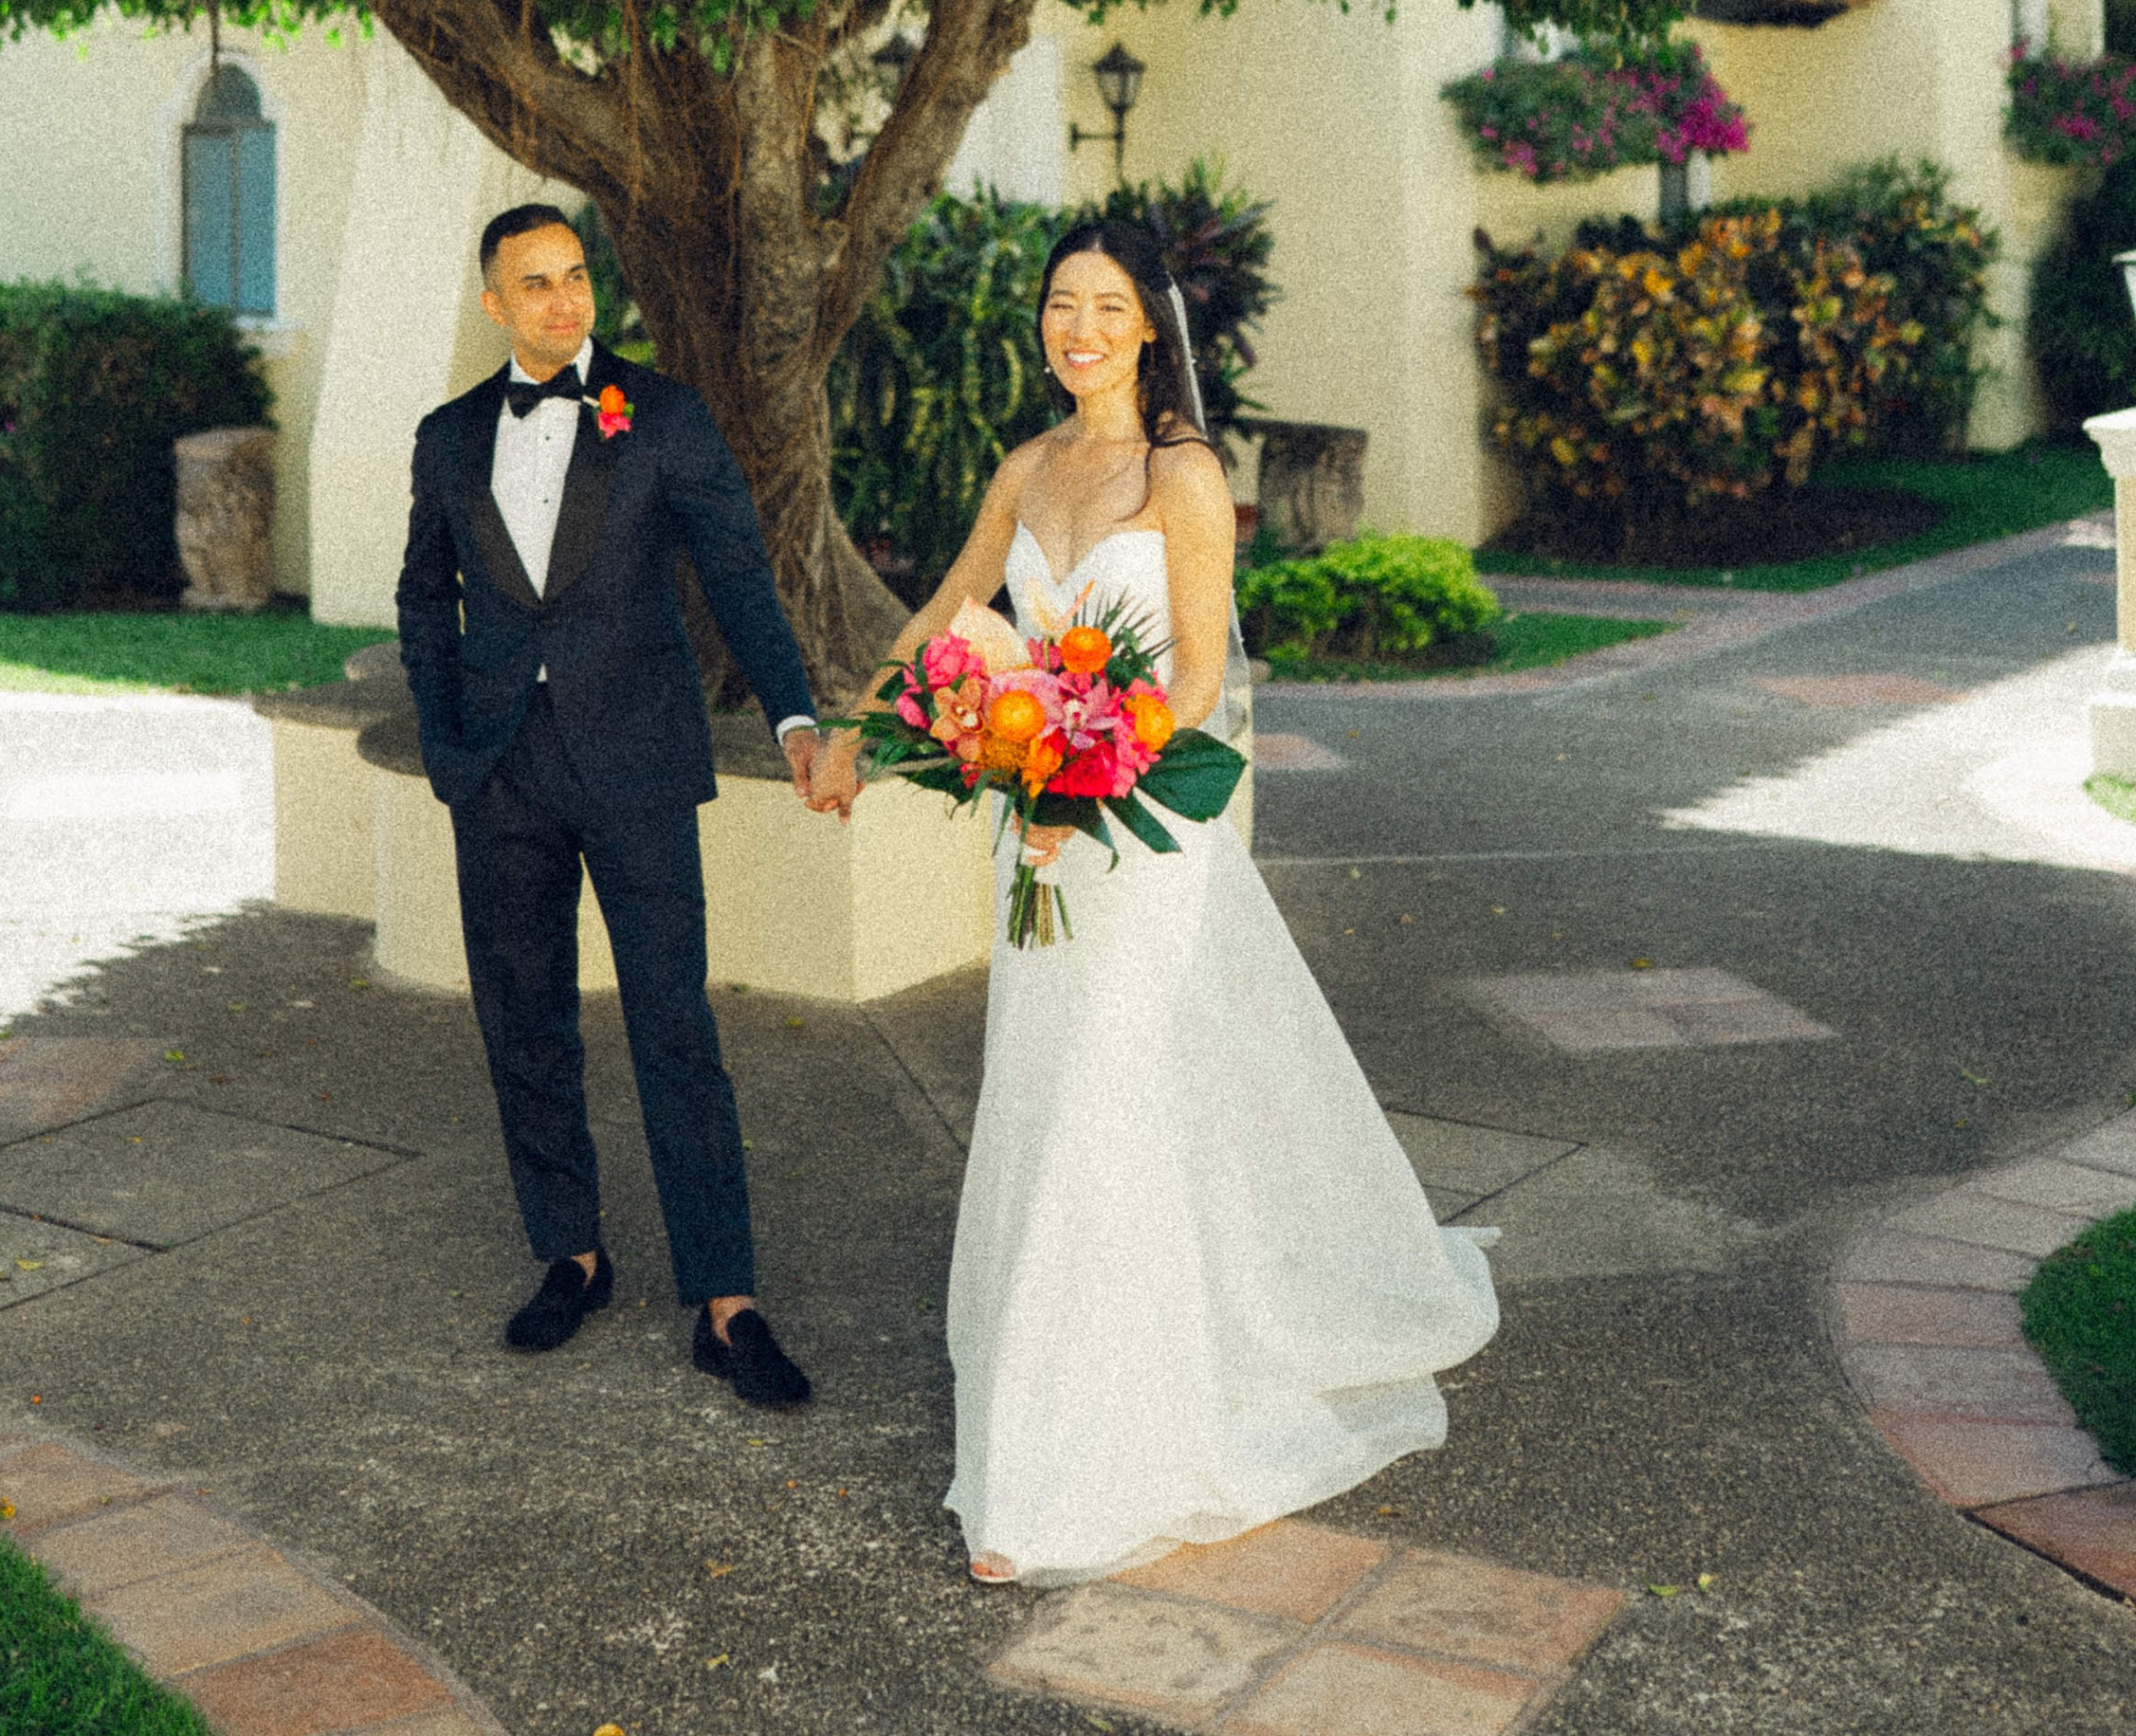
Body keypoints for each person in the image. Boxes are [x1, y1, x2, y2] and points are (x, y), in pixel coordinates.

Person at [838, 216, 1499, 1582]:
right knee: (1044, 1102)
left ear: (1150, 329)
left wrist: (1091, 758)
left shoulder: (1183, 475)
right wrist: (865, 724)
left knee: (1106, 1114)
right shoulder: (1027, 467)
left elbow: (1197, 680)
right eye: (1059, 305)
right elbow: (950, 612)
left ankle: (1066, 1478)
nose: (1078, 329)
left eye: (1107, 306)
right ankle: (1043, 1426)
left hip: (1137, 842)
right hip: (1039, 840)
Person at [395, 203, 845, 1408]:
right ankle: (573, 1254)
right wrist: (449, 746)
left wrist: (796, 717)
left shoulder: (664, 418)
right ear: (495, 304)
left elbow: (741, 577)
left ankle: (725, 1298)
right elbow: (420, 597)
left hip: (637, 763)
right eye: (533, 285)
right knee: (523, 1018)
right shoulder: (447, 438)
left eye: (575, 276)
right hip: (501, 770)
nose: (562, 300)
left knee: (673, 1029)